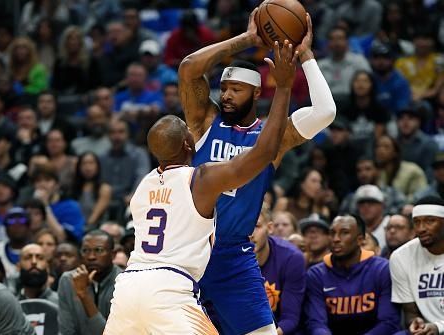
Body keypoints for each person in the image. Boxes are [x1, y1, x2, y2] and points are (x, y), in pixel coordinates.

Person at [104, 35, 299, 335]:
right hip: (169, 292)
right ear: (187, 143)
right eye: (187, 129)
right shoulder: (200, 179)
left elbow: (188, 68)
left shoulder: (142, 189)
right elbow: (262, 152)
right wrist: (283, 85)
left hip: (128, 288)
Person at [178, 9, 336, 334]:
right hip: (189, 249)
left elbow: (325, 111)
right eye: (224, 88)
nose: (226, 95)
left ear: (256, 92)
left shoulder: (270, 138)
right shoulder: (204, 122)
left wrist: (303, 53)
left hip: (234, 254)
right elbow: (189, 68)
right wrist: (247, 39)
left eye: (236, 89)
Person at [305, 215, 400, 335]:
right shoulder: (316, 274)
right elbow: (316, 322)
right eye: (332, 233)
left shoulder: (381, 269)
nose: (336, 239)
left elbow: (388, 321)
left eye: (344, 233)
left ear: (360, 239)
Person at [390, 196, 444, 334]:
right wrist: (416, 322)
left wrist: (439, 327)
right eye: (416, 222)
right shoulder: (401, 257)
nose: (421, 229)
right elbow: (410, 312)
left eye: (430, 221)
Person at [250, 208, 305, 335]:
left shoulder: (291, 258)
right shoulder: (225, 258)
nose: (250, 234)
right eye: (243, 227)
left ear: (269, 228)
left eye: (256, 226)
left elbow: (290, 319)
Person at [58, 230, 121, 335]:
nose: (91, 256)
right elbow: (66, 331)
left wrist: (84, 295)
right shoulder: (68, 280)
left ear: (113, 254)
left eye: (99, 250)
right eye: (85, 250)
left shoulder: (124, 282)